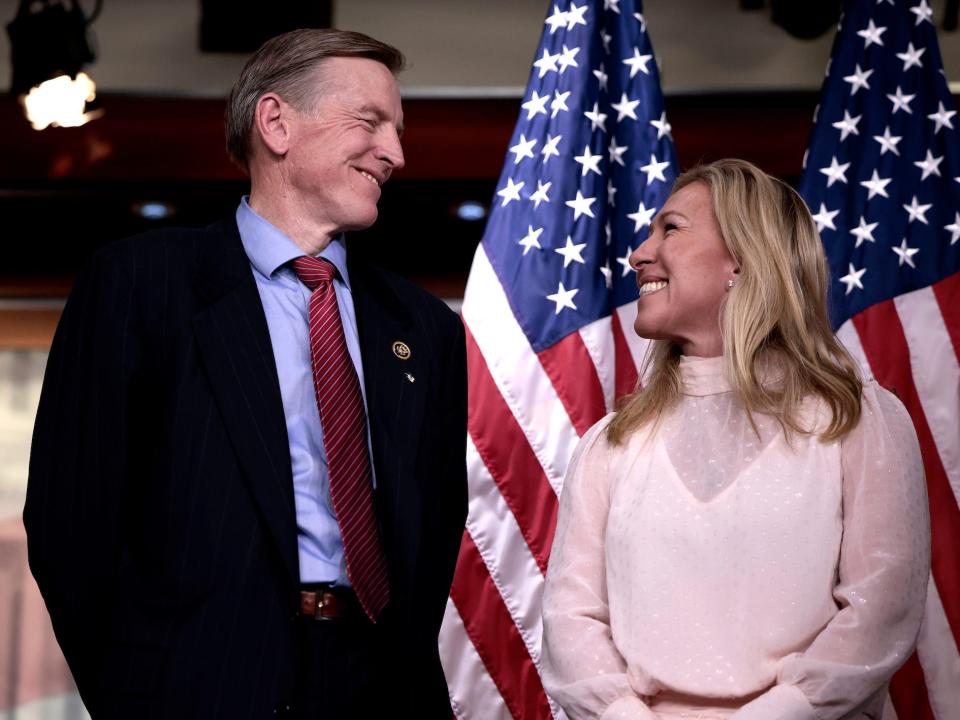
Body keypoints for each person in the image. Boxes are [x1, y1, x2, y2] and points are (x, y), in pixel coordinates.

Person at [25, 28, 467, 719]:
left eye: (398, 131)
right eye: (370, 122)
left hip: (383, 689)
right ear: (276, 123)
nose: (396, 153)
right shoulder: (141, 285)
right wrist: (136, 698)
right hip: (199, 686)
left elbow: (435, 531)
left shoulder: (424, 329)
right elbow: (70, 522)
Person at [540, 159, 930, 720]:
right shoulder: (610, 442)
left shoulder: (857, 419)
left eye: (669, 228)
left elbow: (881, 612)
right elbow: (571, 618)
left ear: (744, 260)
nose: (639, 253)